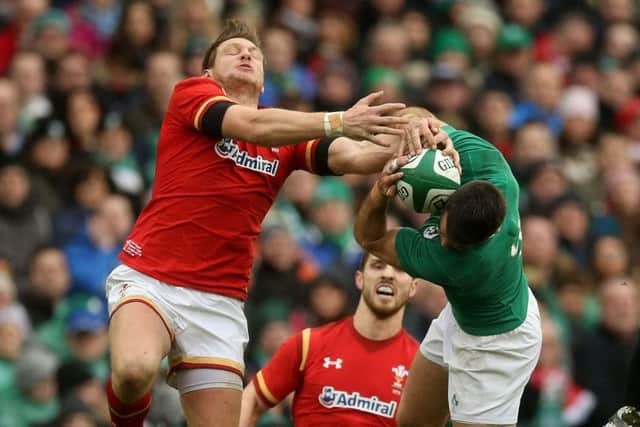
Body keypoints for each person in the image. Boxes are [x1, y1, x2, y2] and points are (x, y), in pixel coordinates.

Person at [104, 19, 454, 427]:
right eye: (233, 50)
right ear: (208, 73)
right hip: (153, 276)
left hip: (219, 298)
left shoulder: (287, 135)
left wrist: (425, 130)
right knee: (133, 369)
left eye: (254, 52)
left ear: (265, 82)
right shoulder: (192, 95)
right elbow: (251, 126)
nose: (247, 54)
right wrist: (339, 119)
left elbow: (358, 157)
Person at [354, 107, 542, 427]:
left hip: (497, 347)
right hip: (465, 315)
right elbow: (421, 116)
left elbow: (369, 239)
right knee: (412, 422)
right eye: (444, 232)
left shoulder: (454, 263)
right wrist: (420, 125)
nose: (443, 242)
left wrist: (378, 193)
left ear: (489, 234)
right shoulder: (490, 165)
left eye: (454, 243)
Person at [238, 252, 419, 427]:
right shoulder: (309, 344)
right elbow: (252, 399)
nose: (387, 274)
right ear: (360, 279)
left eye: (400, 269)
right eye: (377, 266)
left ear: (413, 287)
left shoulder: (422, 365)